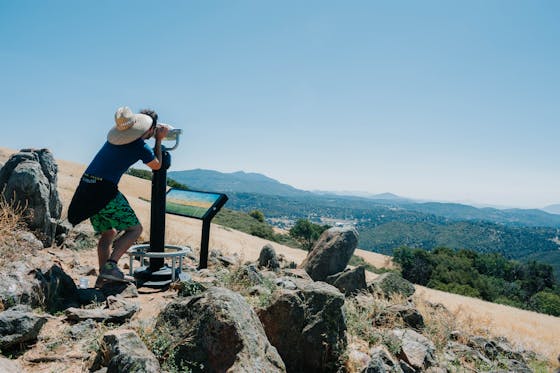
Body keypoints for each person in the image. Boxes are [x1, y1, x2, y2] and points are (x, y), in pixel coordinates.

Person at [68, 106, 169, 288]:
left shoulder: (113, 141)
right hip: (104, 191)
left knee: (109, 233)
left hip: (87, 187)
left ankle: (103, 278)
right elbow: (157, 166)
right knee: (135, 229)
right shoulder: (140, 146)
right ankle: (111, 266)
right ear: (149, 129)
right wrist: (159, 141)